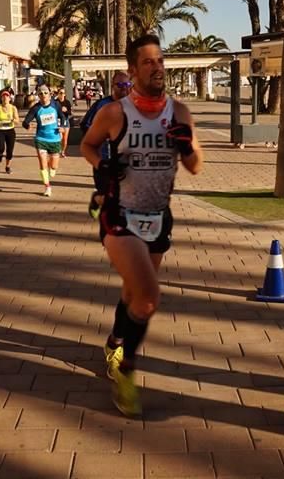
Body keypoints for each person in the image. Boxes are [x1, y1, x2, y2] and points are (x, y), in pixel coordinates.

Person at [81, 34, 203, 417]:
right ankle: (127, 370)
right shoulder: (114, 113)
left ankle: (116, 338)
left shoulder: (179, 112)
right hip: (120, 214)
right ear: (132, 71)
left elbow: (197, 165)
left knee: (134, 293)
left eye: (160, 61)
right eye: (148, 62)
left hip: (158, 217)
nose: (157, 68)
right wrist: (103, 165)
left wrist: (186, 146)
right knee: (148, 296)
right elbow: (87, 145)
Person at [80, 71, 131, 219]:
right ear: (112, 86)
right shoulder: (101, 105)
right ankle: (97, 199)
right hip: (103, 159)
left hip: (126, 162)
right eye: (120, 85)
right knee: (106, 196)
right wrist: (101, 136)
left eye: (127, 84)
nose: (124, 88)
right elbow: (85, 125)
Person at [23, 85, 63, 197]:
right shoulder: (36, 108)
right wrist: (27, 125)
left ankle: (53, 168)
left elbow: (63, 117)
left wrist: (63, 126)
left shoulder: (56, 105)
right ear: (38, 96)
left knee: (54, 167)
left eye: (45, 93)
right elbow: (25, 121)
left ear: (50, 94)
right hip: (41, 139)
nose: (43, 95)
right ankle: (47, 187)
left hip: (55, 139)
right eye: (41, 93)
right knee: (42, 163)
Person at [0, 89, 19, 174]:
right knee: (1, 148)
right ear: (1, 98)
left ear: (10, 98)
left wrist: (13, 120)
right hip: (0, 130)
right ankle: (0, 154)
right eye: (3, 96)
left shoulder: (13, 108)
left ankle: (7, 166)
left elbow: (17, 120)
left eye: (7, 96)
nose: (5, 97)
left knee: (10, 151)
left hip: (10, 131)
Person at [56, 88, 74, 158]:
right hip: (58, 121)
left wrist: (66, 111)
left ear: (65, 94)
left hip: (66, 121)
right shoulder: (55, 102)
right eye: (60, 93)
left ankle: (63, 152)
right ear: (58, 94)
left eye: (63, 93)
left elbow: (70, 112)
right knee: (59, 137)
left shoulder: (67, 102)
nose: (61, 94)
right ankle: (58, 151)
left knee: (65, 139)